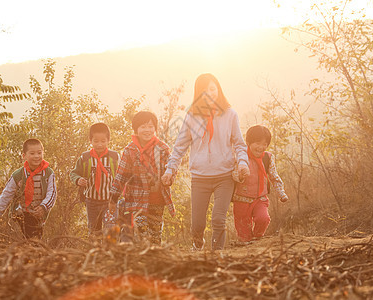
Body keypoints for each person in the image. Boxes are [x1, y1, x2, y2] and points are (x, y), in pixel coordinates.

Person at [161, 73, 249, 250]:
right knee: (197, 225)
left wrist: (242, 163)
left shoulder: (230, 114)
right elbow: (179, 147)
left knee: (218, 219)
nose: (210, 94)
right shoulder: (192, 117)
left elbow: (239, 144)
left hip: (224, 176)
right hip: (200, 177)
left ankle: (217, 257)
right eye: (204, 91)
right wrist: (170, 170)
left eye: (212, 89)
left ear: (218, 89)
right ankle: (197, 246)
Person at [109, 111, 175, 245]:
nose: (147, 130)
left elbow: (170, 168)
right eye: (143, 127)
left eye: (150, 126)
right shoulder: (130, 150)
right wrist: (113, 198)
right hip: (136, 200)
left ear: (155, 129)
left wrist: (169, 177)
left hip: (157, 199)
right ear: (136, 129)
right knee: (142, 233)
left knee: (155, 236)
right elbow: (121, 176)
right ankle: (140, 259)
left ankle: (153, 263)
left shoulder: (162, 149)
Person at [0, 138, 57, 239]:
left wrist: (44, 207)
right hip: (22, 214)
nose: (36, 156)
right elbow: (6, 194)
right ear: (24, 156)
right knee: (28, 239)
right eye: (32, 153)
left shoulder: (48, 173)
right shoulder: (18, 175)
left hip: (40, 213)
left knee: (36, 238)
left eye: (39, 153)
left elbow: (52, 193)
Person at [232, 125, 288, 243]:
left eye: (265, 144)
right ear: (248, 142)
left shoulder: (267, 158)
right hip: (241, 200)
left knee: (264, 219)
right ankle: (246, 249)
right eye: (257, 143)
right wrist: (240, 176)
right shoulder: (241, 157)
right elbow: (232, 175)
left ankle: (257, 239)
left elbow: (274, 176)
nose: (261, 147)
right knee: (243, 233)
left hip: (260, 199)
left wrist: (281, 193)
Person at [70, 123, 120, 240]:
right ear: (90, 141)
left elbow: (122, 175)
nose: (99, 144)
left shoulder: (114, 157)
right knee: (94, 232)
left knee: (110, 230)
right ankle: (95, 255)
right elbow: (74, 173)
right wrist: (78, 180)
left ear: (108, 140)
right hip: (91, 202)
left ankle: (110, 255)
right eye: (96, 141)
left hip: (110, 201)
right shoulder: (85, 157)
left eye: (103, 141)